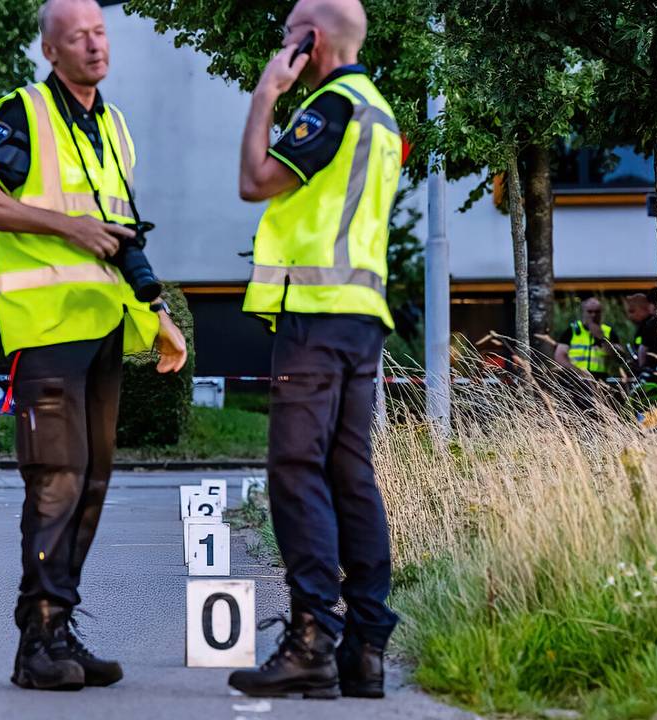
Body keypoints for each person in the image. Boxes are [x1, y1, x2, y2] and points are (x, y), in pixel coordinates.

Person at [0, 0, 187, 692]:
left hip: (105, 329)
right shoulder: (23, 112)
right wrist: (64, 227)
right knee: (55, 482)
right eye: (77, 36)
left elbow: (121, 235)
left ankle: (56, 629)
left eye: (100, 32)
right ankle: (37, 646)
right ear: (51, 51)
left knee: (89, 486)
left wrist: (159, 312)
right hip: (47, 332)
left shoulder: (112, 125)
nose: (94, 44)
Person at [230, 0, 400, 699]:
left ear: (312, 39)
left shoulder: (330, 106)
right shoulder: (380, 111)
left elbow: (255, 181)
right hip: (361, 316)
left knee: (296, 470)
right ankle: (365, 646)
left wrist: (266, 92)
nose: (281, 43)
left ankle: (310, 639)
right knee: (349, 476)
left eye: (287, 33)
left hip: (319, 317)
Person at [555, 297, 617, 380]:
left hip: (600, 378)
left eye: (597, 312)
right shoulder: (573, 330)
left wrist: (602, 338)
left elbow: (616, 356)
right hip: (576, 377)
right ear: (583, 312)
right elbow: (559, 356)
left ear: (602, 313)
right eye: (590, 311)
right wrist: (576, 371)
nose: (593, 315)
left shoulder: (608, 331)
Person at [625, 292, 657, 371]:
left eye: (632, 311)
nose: (629, 316)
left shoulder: (651, 325)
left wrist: (642, 369)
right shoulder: (643, 326)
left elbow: (644, 349)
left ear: (644, 308)